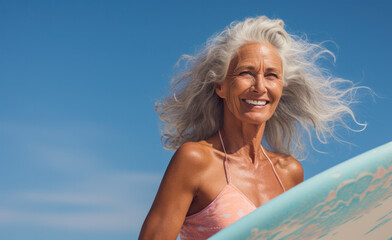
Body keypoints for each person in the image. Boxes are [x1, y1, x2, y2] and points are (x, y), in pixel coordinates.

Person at [139, 16, 364, 240]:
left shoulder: (290, 172)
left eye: (271, 75)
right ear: (221, 86)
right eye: (246, 72)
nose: (259, 87)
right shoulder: (195, 160)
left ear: (281, 88)